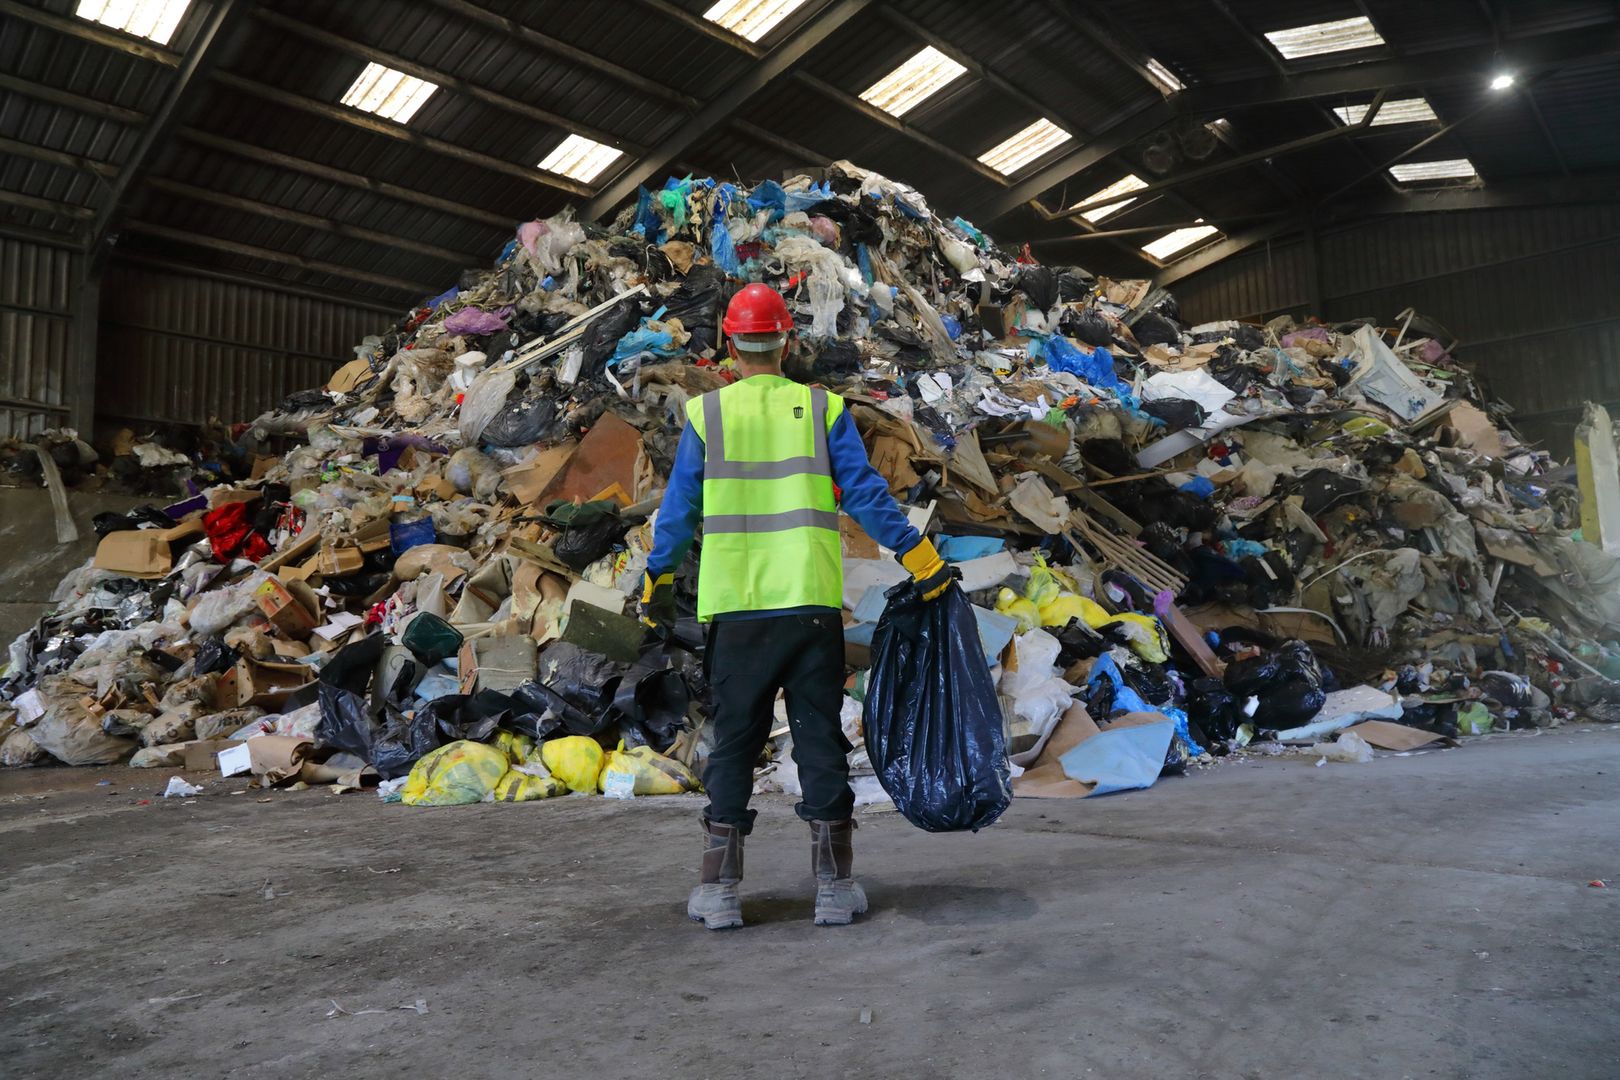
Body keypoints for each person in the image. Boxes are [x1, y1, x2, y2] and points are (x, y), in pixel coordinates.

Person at [640, 283, 950, 930]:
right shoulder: (821, 409)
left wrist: (657, 583)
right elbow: (866, 495)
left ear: (730, 343)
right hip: (809, 607)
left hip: (737, 607)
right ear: (789, 342)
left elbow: (676, 516)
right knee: (819, 739)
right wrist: (918, 558)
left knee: (734, 744)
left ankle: (720, 891)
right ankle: (834, 888)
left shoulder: (708, 416)